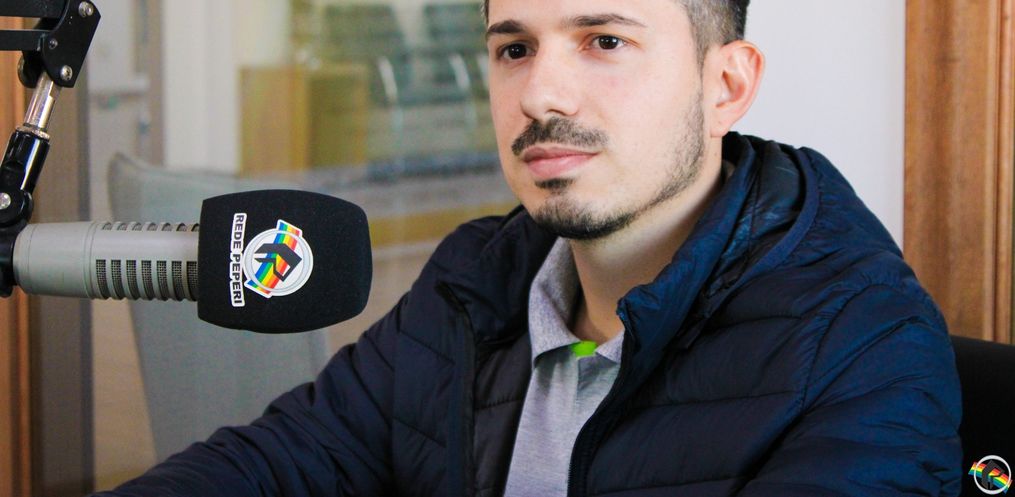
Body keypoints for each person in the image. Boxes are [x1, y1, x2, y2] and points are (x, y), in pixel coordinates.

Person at [94, 0, 962, 495]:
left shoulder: (866, 347)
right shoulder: (474, 278)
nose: (541, 92)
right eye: (513, 48)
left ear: (725, 85)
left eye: (604, 41)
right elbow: (282, 461)